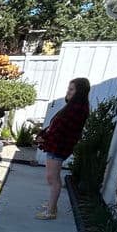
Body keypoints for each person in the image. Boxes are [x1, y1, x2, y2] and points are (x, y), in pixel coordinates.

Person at [35, 77, 90, 220]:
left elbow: (62, 131)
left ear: (80, 92)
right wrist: (44, 135)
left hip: (59, 147)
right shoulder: (72, 107)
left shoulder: (77, 110)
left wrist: (44, 138)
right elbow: (55, 126)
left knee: (53, 178)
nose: (68, 92)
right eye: (68, 89)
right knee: (52, 177)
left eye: (72, 89)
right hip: (56, 145)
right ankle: (51, 205)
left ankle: (51, 211)